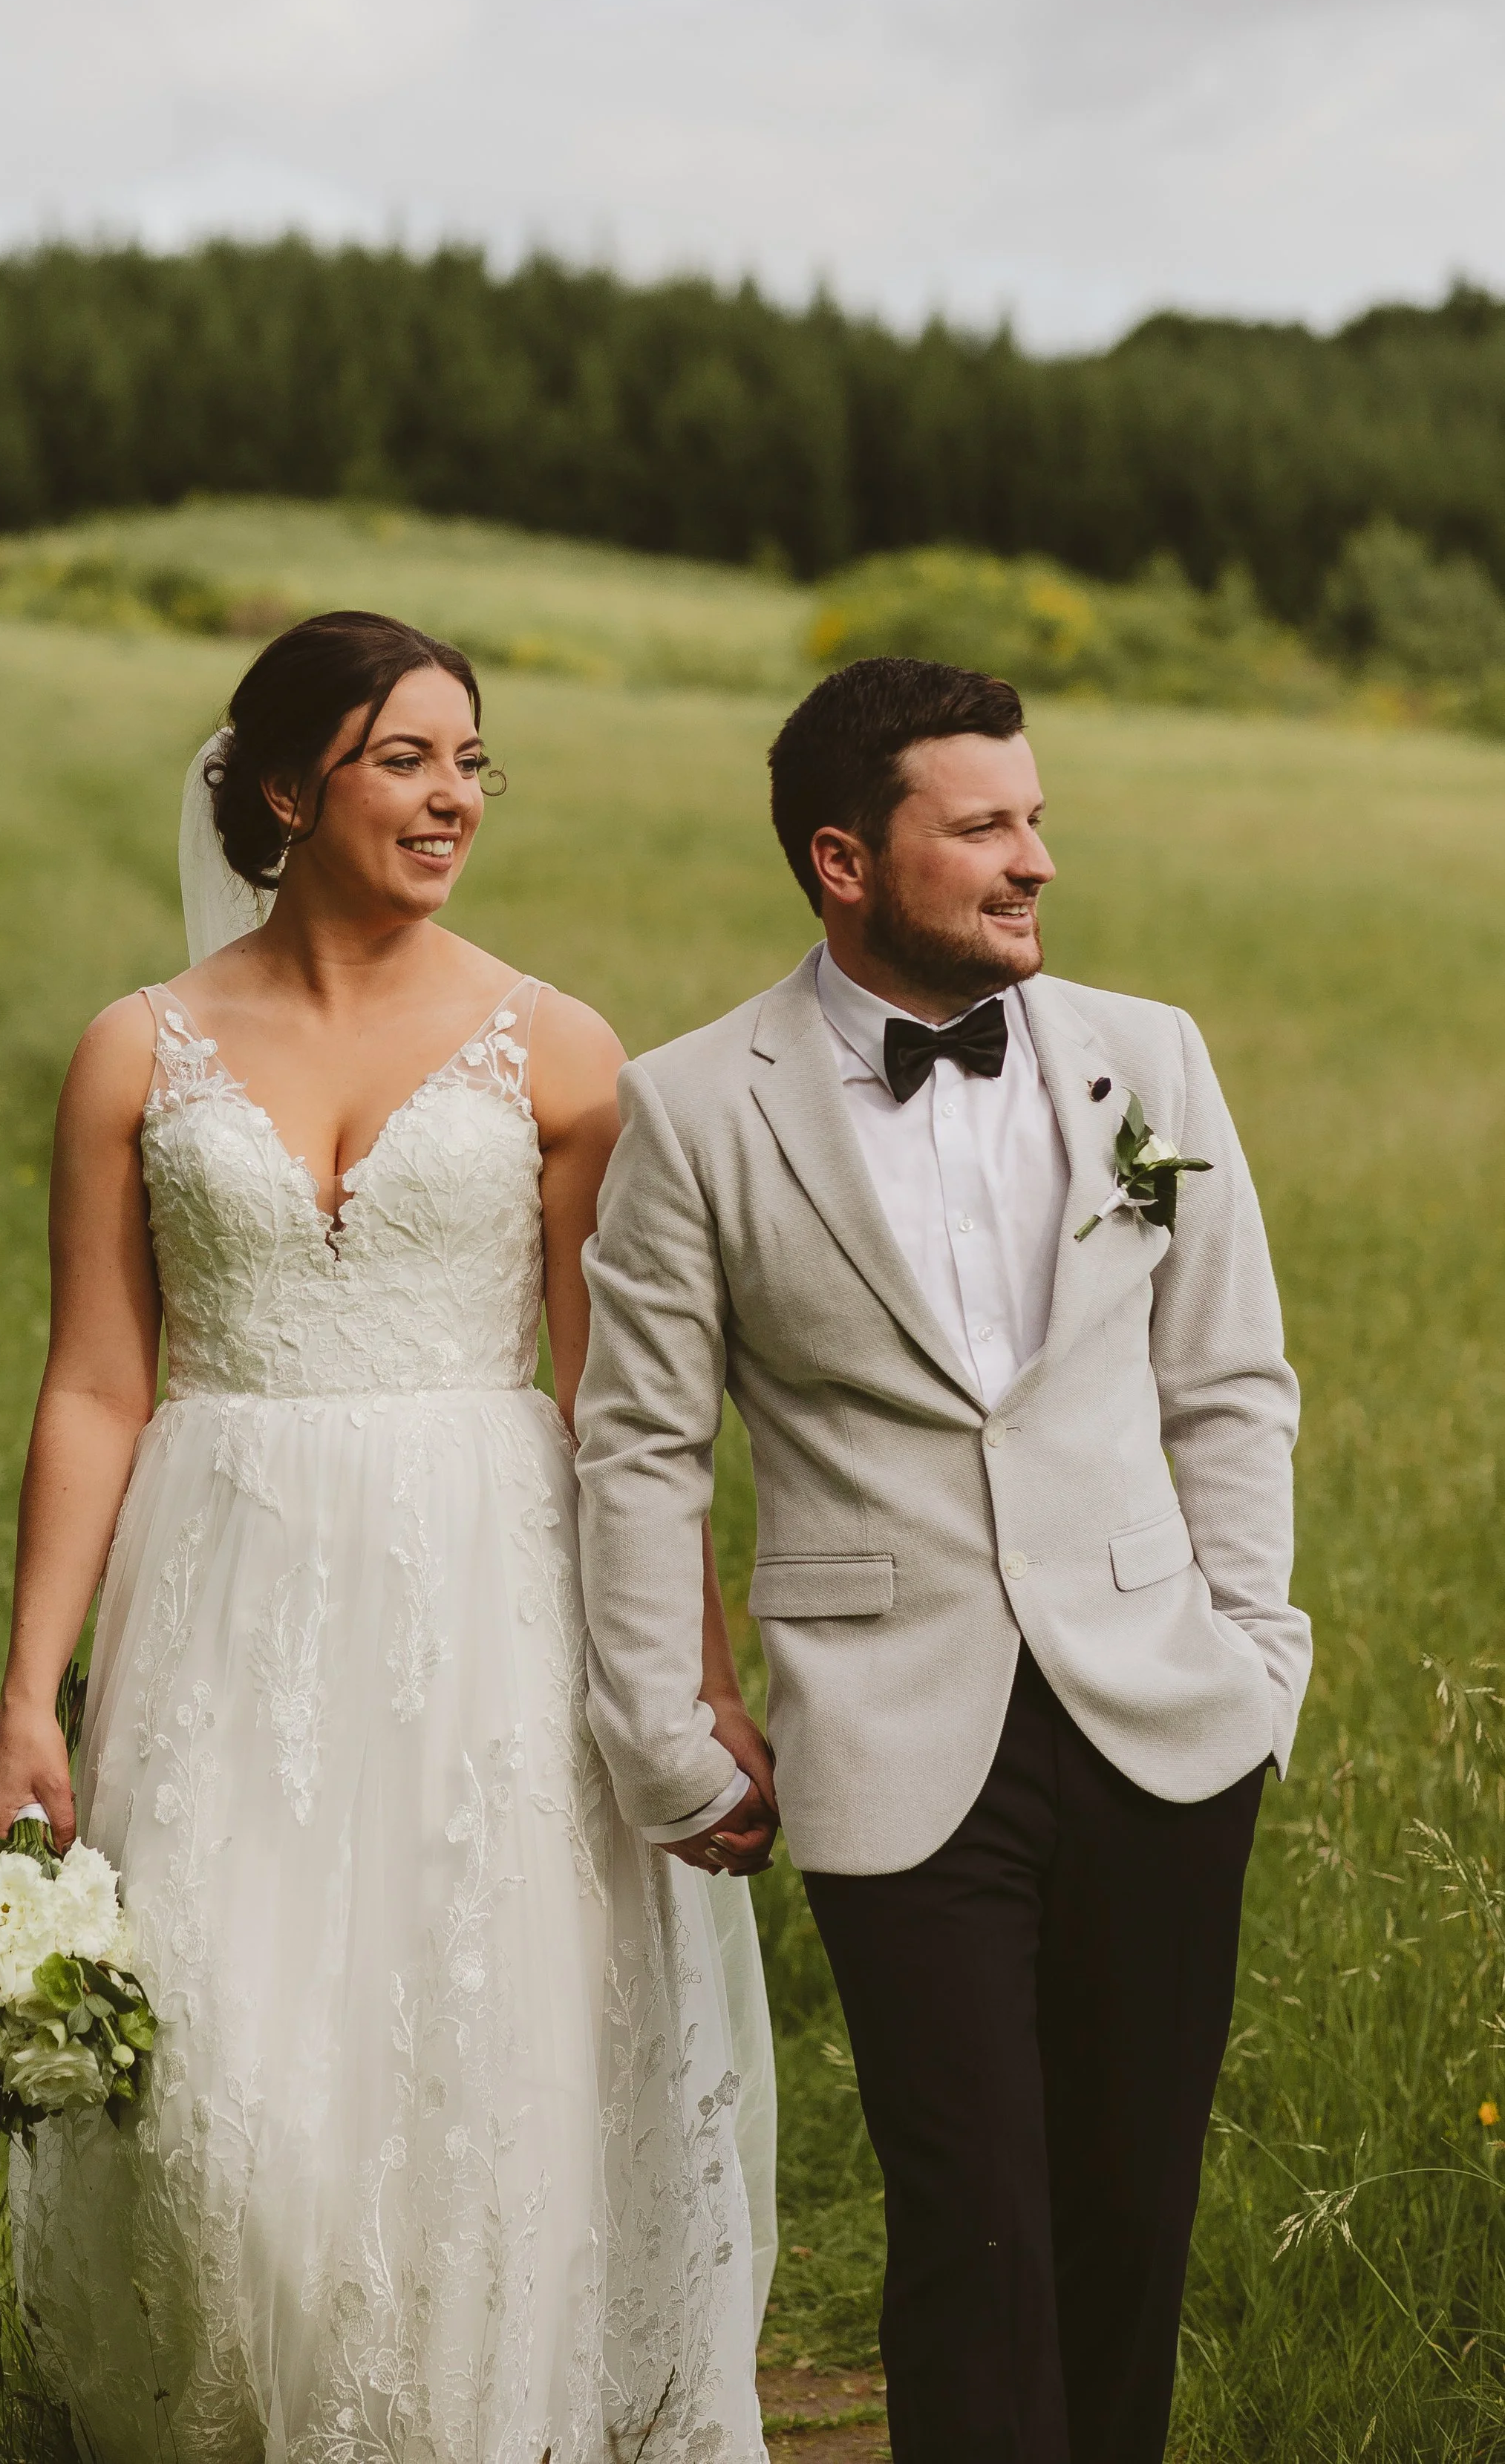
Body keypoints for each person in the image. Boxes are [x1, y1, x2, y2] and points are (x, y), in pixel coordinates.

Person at [0, 611, 777, 2464]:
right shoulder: (133, 1053)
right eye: (403, 758)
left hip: (490, 1600)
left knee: (480, 2049)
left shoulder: (559, 1052)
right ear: (279, 787)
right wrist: (29, 1692)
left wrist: (692, 1690)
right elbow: (96, 1384)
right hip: (223, 1594)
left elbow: (622, 1420)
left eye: (471, 760)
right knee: (220, 2077)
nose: (450, 798)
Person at [575, 655, 1310, 2464]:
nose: (1032, 858)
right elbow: (638, 1442)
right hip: (891, 1734)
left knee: (1129, 2214)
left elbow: (1227, 1379)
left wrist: (1255, 1650)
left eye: (1034, 817)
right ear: (842, 858)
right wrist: (660, 1728)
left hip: (1162, 1713)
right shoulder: (691, 1108)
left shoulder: (1150, 1058)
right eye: (981, 824)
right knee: (974, 2220)